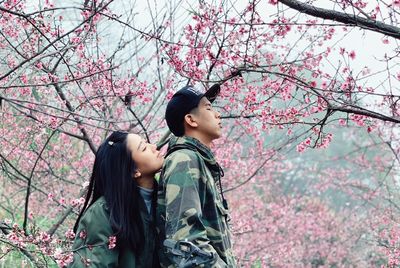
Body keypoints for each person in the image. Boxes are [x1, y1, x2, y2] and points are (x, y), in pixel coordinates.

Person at [157, 84, 237, 267]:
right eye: (208, 108)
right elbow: (187, 243)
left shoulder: (198, 161)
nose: (217, 114)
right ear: (191, 120)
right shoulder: (184, 160)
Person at [68, 131, 163, 267]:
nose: (153, 147)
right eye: (144, 148)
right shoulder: (103, 213)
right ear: (134, 171)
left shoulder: (165, 197)